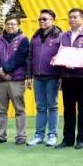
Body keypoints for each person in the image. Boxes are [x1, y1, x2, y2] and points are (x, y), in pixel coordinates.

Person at [56, 8, 83, 150]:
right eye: (70, 17)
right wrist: (61, 60)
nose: (72, 19)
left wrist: (80, 63)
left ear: (82, 18)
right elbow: (61, 51)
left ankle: (81, 139)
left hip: (82, 75)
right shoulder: (64, 35)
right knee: (68, 108)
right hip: (67, 75)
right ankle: (67, 139)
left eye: (75, 17)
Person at [0, 16, 30, 145]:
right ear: (5, 25)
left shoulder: (23, 39)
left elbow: (20, 57)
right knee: (0, 109)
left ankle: (21, 135)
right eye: (8, 24)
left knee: (19, 109)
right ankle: (0, 136)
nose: (10, 26)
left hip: (16, 79)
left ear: (18, 25)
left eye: (13, 24)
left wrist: (6, 70)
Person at [26, 9, 62, 147]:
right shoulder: (35, 37)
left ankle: (52, 135)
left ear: (52, 20)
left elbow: (63, 56)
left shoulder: (60, 36)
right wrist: (28, 76)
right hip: (37, 77)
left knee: (52, 106)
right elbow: (29, 58)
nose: (41, 21)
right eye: (40, 19)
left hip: (53, 76)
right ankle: (39, 135)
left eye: (45, 19)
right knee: (40, 107)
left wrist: (61, 77)